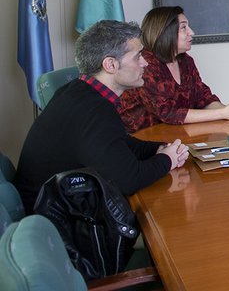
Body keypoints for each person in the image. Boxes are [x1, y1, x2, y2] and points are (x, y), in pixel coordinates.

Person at [13, 20, 189, 213]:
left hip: (59, 205)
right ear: (111, 64)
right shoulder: (92, 110)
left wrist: (160, 149)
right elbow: (128, 181)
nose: (145, 62)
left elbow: (119, 143)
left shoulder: (80, 91)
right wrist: (167, 160)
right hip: (53, 222)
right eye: (138, 56)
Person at [120, 6, 229, 132]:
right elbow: (169, 113)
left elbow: (203, 98)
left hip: (178, 136)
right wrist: (223, 113)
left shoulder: (185, 61)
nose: (191, 32)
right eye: (183, 27)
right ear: (164, 32)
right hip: (142, 141)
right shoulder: (145, 64)